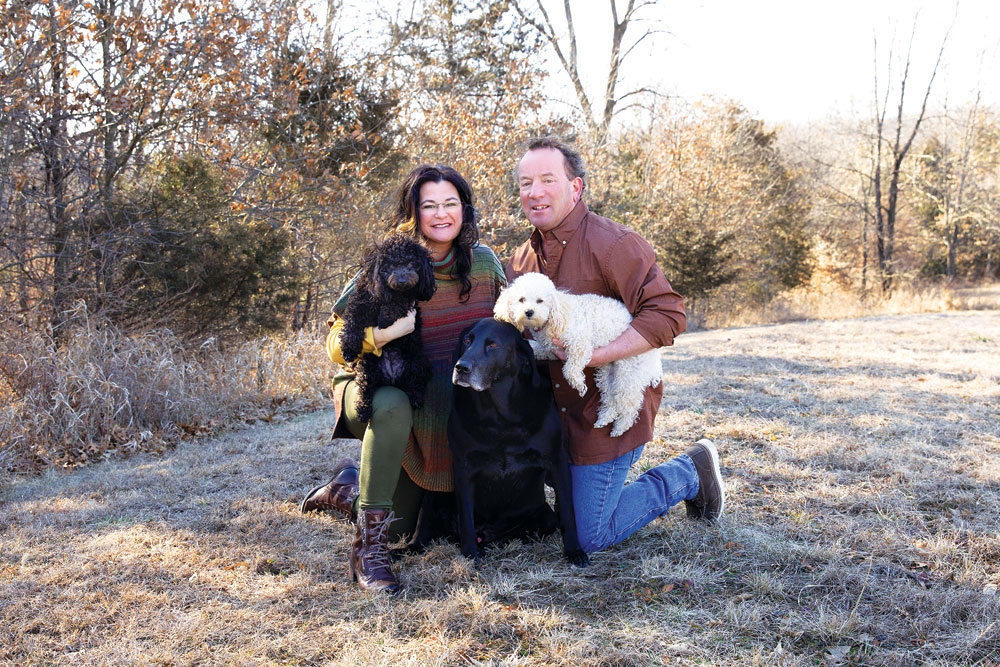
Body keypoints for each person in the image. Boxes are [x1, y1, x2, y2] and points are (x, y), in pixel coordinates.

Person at [505, 137, 726, 554]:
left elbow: (668, 314)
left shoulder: (614, 244)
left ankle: (689, 472)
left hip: (604, 412)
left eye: (547, 180)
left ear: (576, 187)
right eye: (525, 183)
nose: (534, 192)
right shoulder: (520, 262)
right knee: (556, 518)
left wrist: (597, 354)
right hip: (550, 416)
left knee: (587, 537)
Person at [301, 164, 506, 593]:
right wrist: (384, 335)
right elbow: (338, 343)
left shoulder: (484, 264)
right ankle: (367, 550)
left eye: (451, 203)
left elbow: (509, 324)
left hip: (442, 406)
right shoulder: (389, 259)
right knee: (392, 404)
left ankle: (344, 490)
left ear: (465, 210)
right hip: (377, 392)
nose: (441, 214)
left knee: (404, 530)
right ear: (413, 212)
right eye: (428, 205)